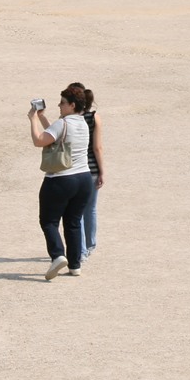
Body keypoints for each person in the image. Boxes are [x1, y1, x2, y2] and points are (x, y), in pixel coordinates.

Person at [28, 85, 94, 280]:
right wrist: (42, 117)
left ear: (72, 105)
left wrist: (32, 120)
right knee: (73, 222)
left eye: (63, 103)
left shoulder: (62, 123)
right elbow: (57, 135)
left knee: (48, 221)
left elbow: (40, 140)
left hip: (60, 180)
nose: (59, 105)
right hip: (84, 179)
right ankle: (75, 265)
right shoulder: (83, 123)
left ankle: (57, 255)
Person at [66, 82, 106, 263]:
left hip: (75, 170)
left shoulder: (70, 119)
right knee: (90, 209)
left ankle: (80, 250)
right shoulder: (93, 117)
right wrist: (102, 171)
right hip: (92, 170)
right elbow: (97, 148)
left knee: (76, 212)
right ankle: (90, 245)